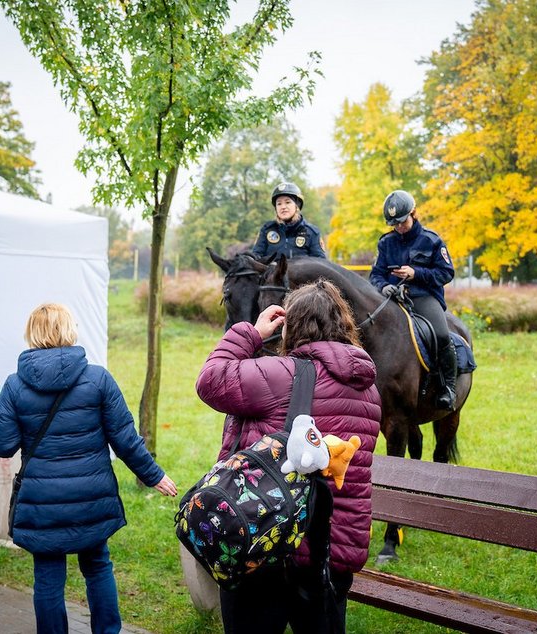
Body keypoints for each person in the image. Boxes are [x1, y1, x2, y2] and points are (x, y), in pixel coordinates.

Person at [196, 280, 381, 634]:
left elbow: (211, 380)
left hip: (270, 545)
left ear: (292, 326)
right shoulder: (367, 386)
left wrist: (250, 333)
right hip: (331, 548)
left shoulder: (281, 374)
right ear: (343, 323)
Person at [0, 303, 177, 634]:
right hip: (92, 496)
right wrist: (154, 475)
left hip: (42, 501)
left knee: (47, 576)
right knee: (98, 566)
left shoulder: (15, 386)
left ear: (32, 333)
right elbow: (126, 439)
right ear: (69, 330)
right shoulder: (98, 379)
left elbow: (0, 444)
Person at [369, 190, 457, 410]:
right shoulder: (386, 243)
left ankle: (448, 387)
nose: (399, 227)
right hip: (393, 299)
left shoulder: (432, 240)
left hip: (424, 297)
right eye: (394, 224)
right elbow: (376, 275)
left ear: (413, 213)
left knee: (441, 333)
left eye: (402, 222)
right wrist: (385, 286)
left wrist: (416, 273)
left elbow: (446, 273)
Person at [251, 182, 326, 260]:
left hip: (301, 272)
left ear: (297, 205)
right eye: (279, 204)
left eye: (287, 202)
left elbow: (321, 263)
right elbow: (255, 258)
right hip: (272, 271)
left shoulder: (312, 232)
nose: (283, 207)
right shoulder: (267, 230)